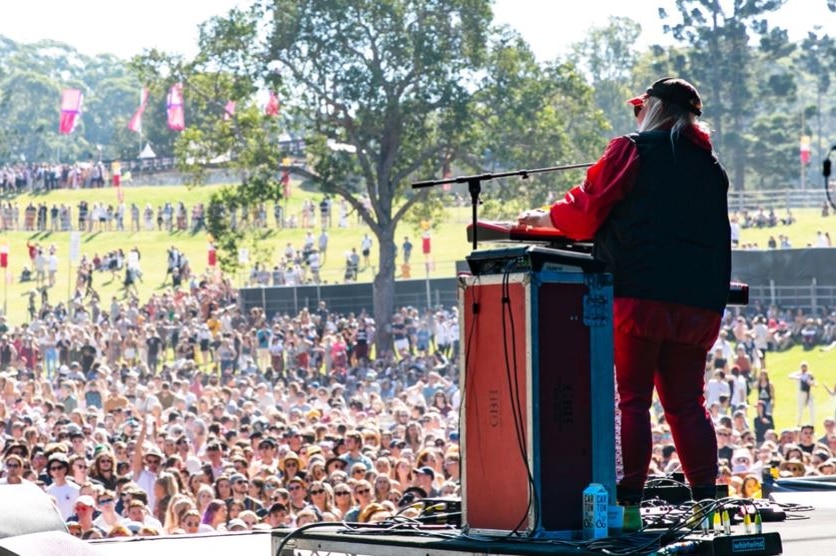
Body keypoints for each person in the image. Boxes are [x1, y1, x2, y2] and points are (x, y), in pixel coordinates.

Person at [518, 77, 730, 526]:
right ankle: (707, 508)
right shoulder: (712, 167)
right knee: (688, 403)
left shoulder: (631, 149)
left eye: (641, 108)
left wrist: (542, 218)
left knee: (633, 400)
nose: (636, 115)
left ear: (652, 108)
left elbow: (586, 213)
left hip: (638, 295)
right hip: (697, 302)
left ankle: (629, 510)